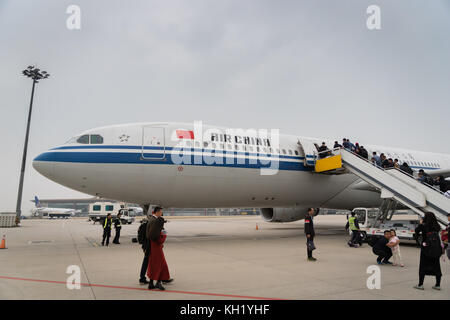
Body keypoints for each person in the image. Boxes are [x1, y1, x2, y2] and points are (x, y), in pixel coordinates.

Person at [414, 212, 442, 290]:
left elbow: (416, 232)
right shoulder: (437, 226)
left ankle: (420, 285)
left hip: (425, 248)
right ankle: (437, 285)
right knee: (436, 266)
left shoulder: (424, 225)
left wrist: (420, 223)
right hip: (436, 249)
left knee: (423, 266)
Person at [147, 207, 172, 290]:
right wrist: (164, 235)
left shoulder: (151, 220)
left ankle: (151, 283)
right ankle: (158, 282)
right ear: (157, 212)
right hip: (155, 247)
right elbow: (157, 237)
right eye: (161, 212)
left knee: (153, 264)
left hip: (151, 245)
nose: (161, 213)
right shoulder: (155, 221)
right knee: (159, 264)